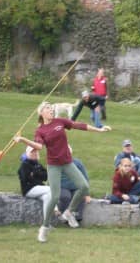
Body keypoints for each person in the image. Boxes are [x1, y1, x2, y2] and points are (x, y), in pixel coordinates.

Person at [13, 101, 110, 242]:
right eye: (47, 108)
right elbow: (39, 147)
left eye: (51, 108)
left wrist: (99, 129)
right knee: (54, 196)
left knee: (84, 187)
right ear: (41, 113)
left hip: (67, 163)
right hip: (53, 166)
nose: (51, 110)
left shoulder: (60, 121)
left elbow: (79, 125)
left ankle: (69, 212)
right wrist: (23, 140)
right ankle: (44, 227)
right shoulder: (40, 130)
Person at [18, 146, 51, 224]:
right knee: (51, 189)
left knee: (47, 197)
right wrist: (37, 175)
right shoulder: (25, 165)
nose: (35, 153)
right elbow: (26, 178)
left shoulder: (38, 164)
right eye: (32, 152)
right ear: (28, 153)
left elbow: (46, 176)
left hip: (38, 189)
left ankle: (46, 223)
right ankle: (56, 209)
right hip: (29, 190)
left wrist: (35, 174)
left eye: (36, 152)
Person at [57, 158, 90, 223]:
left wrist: (87, 194)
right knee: (65, 196)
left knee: (80, 196)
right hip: (62, 187)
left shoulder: (77, 163)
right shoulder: (56, 164)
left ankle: (77, 217)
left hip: (76, 187)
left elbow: (85, 177)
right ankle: (65, 218)